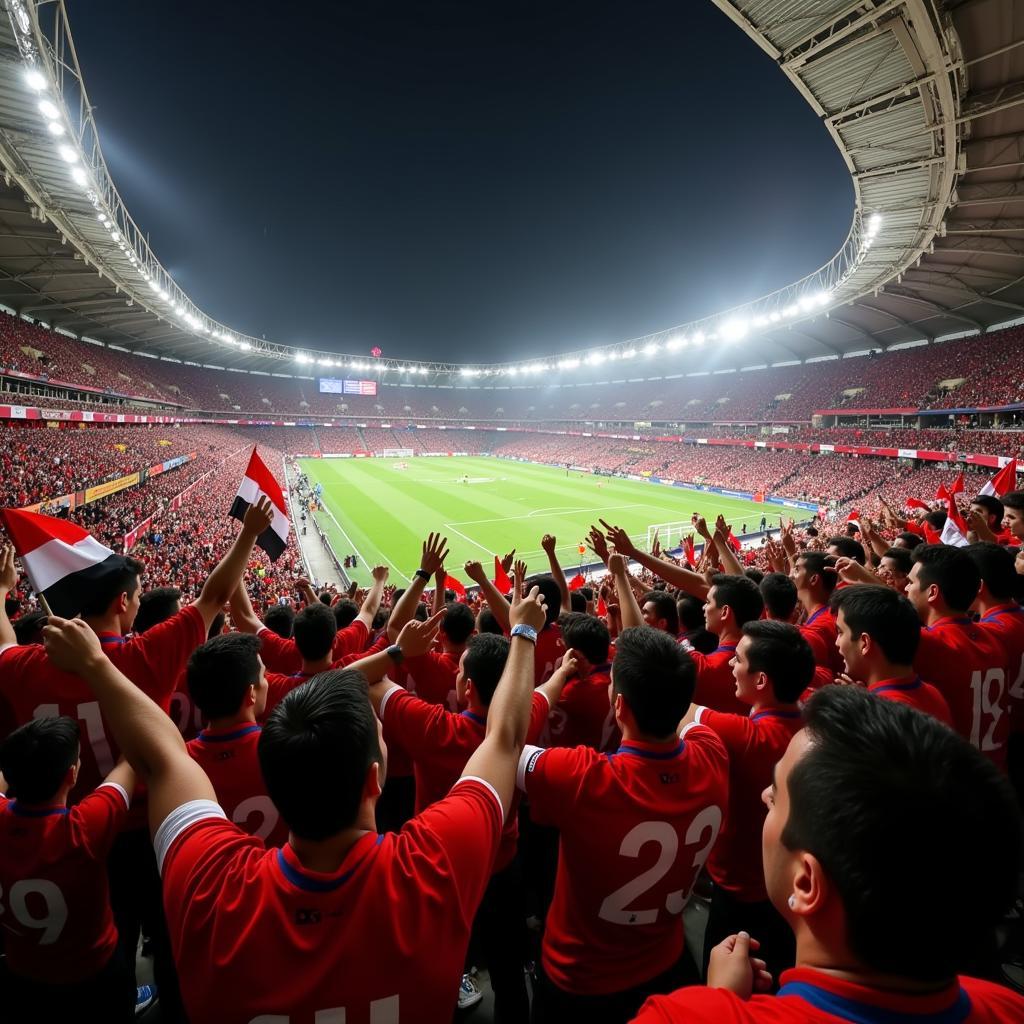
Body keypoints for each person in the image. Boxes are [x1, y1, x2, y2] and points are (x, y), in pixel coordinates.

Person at [39, 581, 550, 1024]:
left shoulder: (213, 887)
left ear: (277, 788)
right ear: (374, 780)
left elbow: (163, 757)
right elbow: (502, 738)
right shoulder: (435, 865)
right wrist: (523, 634)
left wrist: (96, 667)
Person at [631, 687, 1024, 1021]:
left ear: (805, 882)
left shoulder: (684, 1015)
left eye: (778, 793)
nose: (765, 795)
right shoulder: (1009, 1006)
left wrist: (720, 1002)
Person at [519, 622, 729, 1022]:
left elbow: (504, 739)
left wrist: (531, 642)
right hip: (669, 967)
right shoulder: (713, 753)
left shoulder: (581, 778)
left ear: (619, 706)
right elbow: (687, 718)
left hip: (579, 982)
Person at [681, 620, 811, 985]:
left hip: (738, 895)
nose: (728, 665)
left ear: (761, 681)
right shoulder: (814, 725)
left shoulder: (743, 735)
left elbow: (674, 703)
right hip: (789, 891)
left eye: (737, 659)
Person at [0, 717, 140, 1022]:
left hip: (22, 972)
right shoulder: (84, 828)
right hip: (94, 977)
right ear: (72, 774)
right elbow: (130, 759)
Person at [906, 545, 1009, 768]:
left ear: (932, 592)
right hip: (995, 773)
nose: (905, 588)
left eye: (911, 582)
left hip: (956, 781)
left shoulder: (929, 644)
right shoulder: (993, 637)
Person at [184, 633, 289, 846]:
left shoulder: (180, 762)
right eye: (264, 676)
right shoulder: (287, 748)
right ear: (251, 693)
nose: (268, 682)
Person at [831, 585, 951, 723]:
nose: (837, 642)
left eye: (840, 632)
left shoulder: (873, 716)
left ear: (865, 643)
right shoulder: (934, 695)